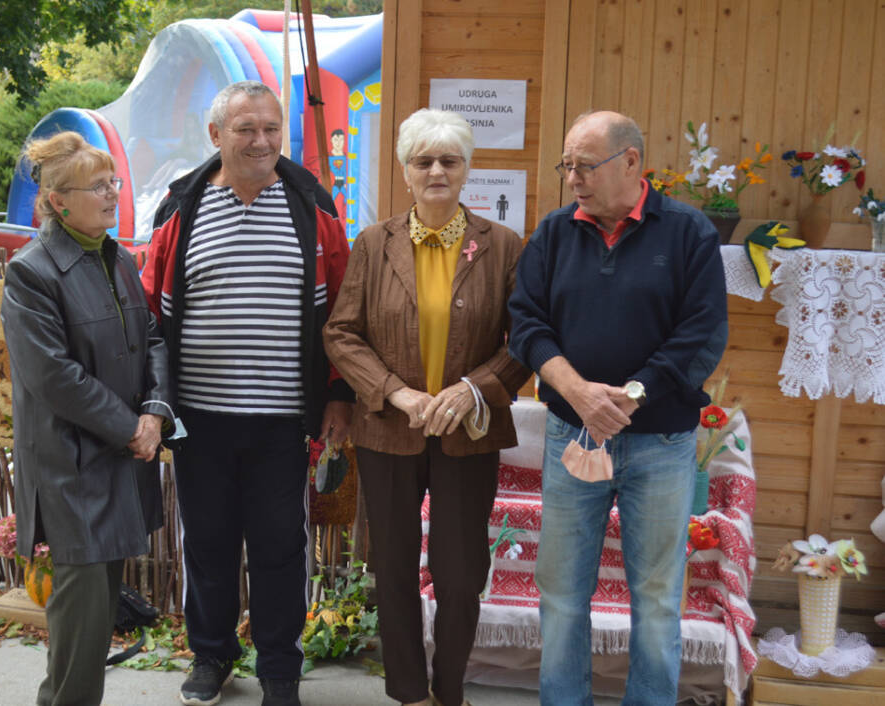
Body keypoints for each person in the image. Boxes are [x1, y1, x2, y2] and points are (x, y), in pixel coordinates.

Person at [140, 80, 353, 706]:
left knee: (279, 548)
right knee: (206, 544)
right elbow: (152, 312)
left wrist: (338, 395)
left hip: (282, 421)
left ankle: (280, 670)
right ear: (216, 136)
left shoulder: (312, 210)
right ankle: (211, 656)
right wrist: (156, 401)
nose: (261, 140)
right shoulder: (182, 211)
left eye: (270, 127)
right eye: (245, 129)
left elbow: (340, 313)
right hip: (200, 419)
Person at [507, 110, 728, 705]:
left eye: (585, 165)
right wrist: (579, 392)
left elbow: (701, 335)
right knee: (560, 591)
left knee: (656, 597)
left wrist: (629, 396)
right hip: (572, 438)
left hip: (659, 444)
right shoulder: (554, 233)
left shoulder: (688, 233)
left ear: (631, 161)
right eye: (567, 166)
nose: (573, 178)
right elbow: (525, 324)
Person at [323, 108, 530, 706]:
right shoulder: (373, 243)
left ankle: (451, 691)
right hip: (389, 429)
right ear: (406, 171)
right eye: (424, 160)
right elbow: (341, 333)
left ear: (467, 170)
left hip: (470, 431)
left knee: (461, 575)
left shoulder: (503, 246)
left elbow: (525, 339)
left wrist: (472, 390)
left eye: (449, 160)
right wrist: (396, 391)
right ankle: (409, 692)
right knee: (391, 568)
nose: (437, 170)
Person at [0, 131, 177, 706]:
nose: (112, 194)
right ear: (57, 201)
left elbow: (151, 337)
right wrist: (131, 427)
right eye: (97, 186)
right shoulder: (31, 273)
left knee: (98, 616)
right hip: (70, 470)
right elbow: (53, 377)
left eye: (113, 183)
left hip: (122, 460)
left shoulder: (117, 257)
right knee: (79, 630)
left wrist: (153, 411)